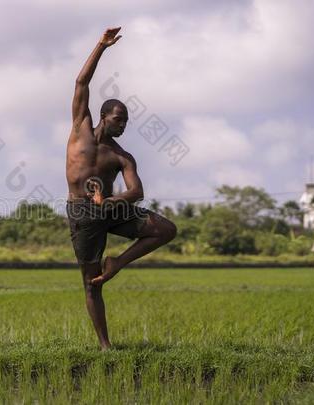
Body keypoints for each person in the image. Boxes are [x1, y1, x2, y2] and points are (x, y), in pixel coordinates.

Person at [65, 27, 177, 350]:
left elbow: (137, 191)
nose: (123, 126)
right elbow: (81, 83)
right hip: (82, 213)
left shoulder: (121, 155)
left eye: (126, 122)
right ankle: (105, 346)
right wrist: (101, 45)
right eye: (118, 120)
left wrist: (110, 200)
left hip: (110, 209)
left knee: (165, 229)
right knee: (91, 284)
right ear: (103, 117)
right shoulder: (80, 129)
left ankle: (118, 262)